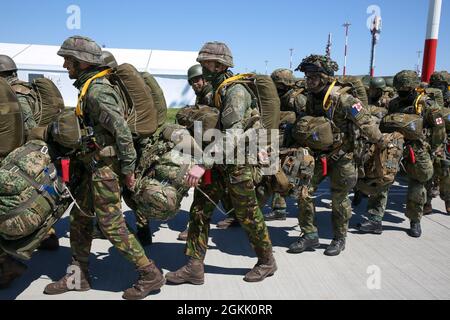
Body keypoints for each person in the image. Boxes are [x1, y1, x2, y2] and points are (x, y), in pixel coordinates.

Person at [43, 36, 164, 300]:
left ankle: (150, 274)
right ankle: (78, 276)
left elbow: (121, 131)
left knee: (111, 224)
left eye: (68, 60)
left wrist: (129, 169)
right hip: (93, 166)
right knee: (80, 217)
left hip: (105, 169)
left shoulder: (97, 90)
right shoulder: (89, 87)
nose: (65, 65)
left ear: (82, 62)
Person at [165, 41, 277, 285]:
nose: (203, 66)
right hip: (217, 162)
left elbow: (233, 135)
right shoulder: (212, 89)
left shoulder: (236, 91)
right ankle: (194, 266)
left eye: (207, 62)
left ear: (221, 64)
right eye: (202, 62)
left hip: (238, 163)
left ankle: (267, 261)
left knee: (248, 215)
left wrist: (202, 164)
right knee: (199, 210)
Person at [289, 54, 384, 256]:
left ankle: (339, 238)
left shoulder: (344, 98)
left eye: (312, 76)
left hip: (343, 156)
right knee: (303, 192)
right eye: (307, 76)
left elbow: (366, 123)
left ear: (324, 77)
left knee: (339, 199)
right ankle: (309, 235)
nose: (308, 80)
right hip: (317, 155)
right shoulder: (309, 97)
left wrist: (380, 142)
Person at [358, 70, 444, 237]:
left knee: (417, 185)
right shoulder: (395, 103)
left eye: (406, 89)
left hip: (417, 149)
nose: (402, 92)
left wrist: (433, 149)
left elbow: (438, 130)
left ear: (414, 87)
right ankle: (375, 219)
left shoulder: (427, 104)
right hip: (393, 147)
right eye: (400, 89)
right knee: (382, 178)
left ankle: (415, 220)